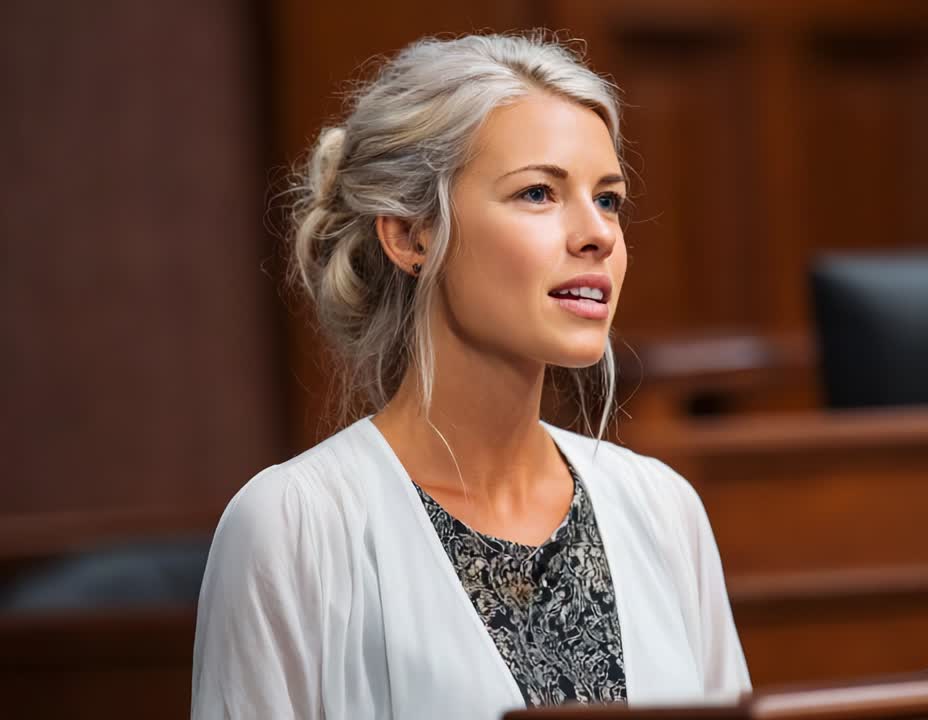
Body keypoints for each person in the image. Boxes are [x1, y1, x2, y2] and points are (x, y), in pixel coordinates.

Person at [191, 32, 751, 719]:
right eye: (540, 192)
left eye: (608, 199)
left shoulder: (663, 509)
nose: (598, 234)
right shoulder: (293, 525)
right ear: (410, 234)